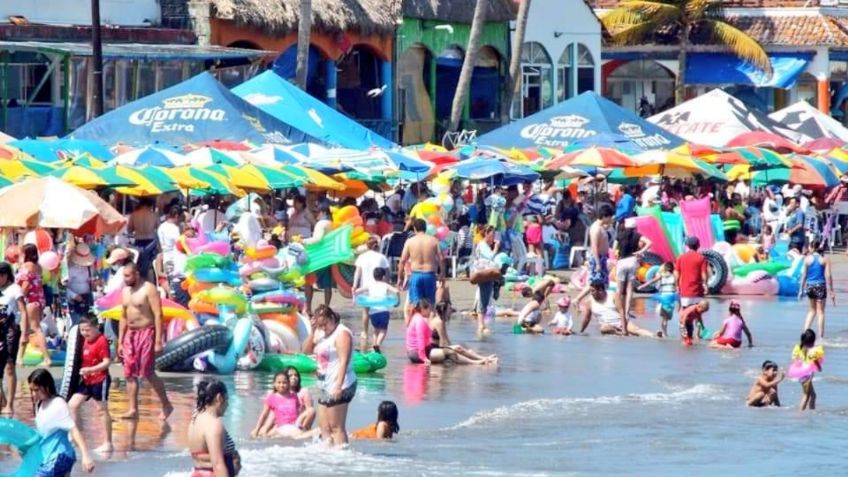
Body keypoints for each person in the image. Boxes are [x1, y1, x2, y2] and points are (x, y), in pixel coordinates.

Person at [117, 262, 173, 420]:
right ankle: (132, 409)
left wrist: (158, 340)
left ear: (137, 274)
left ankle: (166, 404)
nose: (125, 279)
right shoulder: (125, 291)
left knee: (147, 372)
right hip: (130, 334)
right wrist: (120, 341)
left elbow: (158, 315)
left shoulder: (149, 289)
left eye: (128, 276)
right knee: (129, 373)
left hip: (146, 333)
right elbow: (123, 316)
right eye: (124, 276)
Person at [303, 305, 356, 448]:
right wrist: (313, 330)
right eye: (320, 325)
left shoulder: (342, 333)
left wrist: (338, 386)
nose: (324, 328)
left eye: (325, 324)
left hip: (341, 384)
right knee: (324, 427)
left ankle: (342, 456)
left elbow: (344, 361)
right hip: (325, 385)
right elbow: (306, 351)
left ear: (332, 318)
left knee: (336, 427)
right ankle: (328, 457)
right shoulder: (321, 334)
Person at [28, 368, 96, 476]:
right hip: (48, 458)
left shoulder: (58, 404)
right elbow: (44, 434)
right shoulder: (39, 405)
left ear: (47, 386)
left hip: (61, 457)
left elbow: (74, 430)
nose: (33, 394)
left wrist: (85, 455)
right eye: (31, 390)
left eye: (36, 390)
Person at [68, 314, 113, 452]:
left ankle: (108, 443)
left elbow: (107, 362)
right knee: (72, 405)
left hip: (100, 379)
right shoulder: (83, 340)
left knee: (101, 410)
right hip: (87, 380)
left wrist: (91, 369)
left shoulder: (102, 341)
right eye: (82, 330)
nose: (84, 333)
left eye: (87, 330)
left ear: (96, 327)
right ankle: (75, 435)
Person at [187, 378, 240, 476]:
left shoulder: (195, 419)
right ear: (219, 398)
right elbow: (218, 464)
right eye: (227, 399)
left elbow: (200, 457)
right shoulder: (214, 424)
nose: (228, 404)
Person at [398, 218, 443, 324]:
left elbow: (402, 261)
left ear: (414, 228)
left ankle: (412, 330)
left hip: (416, 275)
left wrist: (400, 277)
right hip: (430, 274)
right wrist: (442, 274)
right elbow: (441, 259)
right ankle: (430, 330)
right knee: (431, 304)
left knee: (414, 304)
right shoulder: (433, 240)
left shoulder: (410, 241)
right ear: (426, 228)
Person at [578, 281, 657, 337]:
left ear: (600, 290)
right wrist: (581, 331)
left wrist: (624, 329)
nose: (591, 293)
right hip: (607, 326)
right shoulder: (589, 301)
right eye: (590, 291)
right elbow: (587, 318)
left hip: (620, 321)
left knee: (636, 330)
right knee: (603, 329)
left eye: (593, 291)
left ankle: (655, 335)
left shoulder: (613, 295)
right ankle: (620, 333)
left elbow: (621, 311)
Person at [352, 236, 390, 350]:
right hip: (379, 287)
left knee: (366, 310)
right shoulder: (381, 257)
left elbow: (357, 272)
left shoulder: (362, 257)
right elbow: (387, 273)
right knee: (378, 308)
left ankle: (364, 332)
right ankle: (376, 334)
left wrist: (354, 285)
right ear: (377, 245)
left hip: (365, 286)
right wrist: (386, 286)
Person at [16, 243, 50, 366]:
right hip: (38, 299)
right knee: (24, 330)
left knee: (35, 328)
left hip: (30, 299)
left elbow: (26, 285)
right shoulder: (38, 266)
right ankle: (19, 358)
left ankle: (47, 358)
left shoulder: (27, 266)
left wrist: (18, 298)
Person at [614, 218, 652, 321]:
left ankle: (619, 312)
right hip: (632, 261)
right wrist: (640, 252)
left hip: (622, 261)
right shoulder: (637, 235)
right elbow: (649, 242)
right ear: (635, 227)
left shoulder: (620, 235)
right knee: (629, 288)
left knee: (619, 289)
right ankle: (627, 312)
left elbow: (614, 250)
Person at [0, 262, 24, 415]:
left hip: (11, 331)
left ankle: (9, 403)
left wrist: (26, 333)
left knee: (9, 366)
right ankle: (1, 399)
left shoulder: (15, 289)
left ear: (5, 275)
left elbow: (23, 311)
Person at [354, 267, 398, 353]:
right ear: (384, 277)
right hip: (383, 311)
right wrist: (397, 302)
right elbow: (396, 291)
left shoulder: (370, 285)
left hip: (373, 312)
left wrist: (356, 299)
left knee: (376, 330)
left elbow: (356, 291)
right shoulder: (385, 285)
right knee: (383, 330)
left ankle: (374, 348)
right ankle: (377, 344)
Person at [251, 371, 306, 439]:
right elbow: (264, 415)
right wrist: (257, 429)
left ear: (288, 383)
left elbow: (297, 412)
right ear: (274, 384)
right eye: (279, 382)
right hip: (282, 428)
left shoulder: (294, 396)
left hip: (294, 426)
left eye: (284, 383)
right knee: (304, 435)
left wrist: (300, 423)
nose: (281, 385)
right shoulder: (272, 398)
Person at [797, 238, 834, 338]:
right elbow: (829, 276)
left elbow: (804, 276)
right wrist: (831, 291)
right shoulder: (825, 259)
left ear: (813, 247)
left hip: (810, 285)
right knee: (820, 312)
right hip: (820, 286)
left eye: (809, 246)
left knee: (812, 310)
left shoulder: (807, 259)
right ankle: (821, 337)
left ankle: (805, 334)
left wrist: (800, 290)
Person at [303, 206, 334, 316]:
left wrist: (303, 241)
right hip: (328, 256)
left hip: (318, 257)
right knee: (327, 285)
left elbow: (318, 239)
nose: (315, 214)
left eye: (316, 212)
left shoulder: (321, 224)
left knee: (308, 282)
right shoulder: (331, 223)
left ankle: (308, 308)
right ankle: (326, 308)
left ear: (323, 212)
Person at [471, 225, 498, 335]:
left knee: (486, 297)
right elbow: (490, 256)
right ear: (486, 234)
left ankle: (482, 325)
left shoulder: (484, 245)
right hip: (483, 274)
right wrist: (496, 247)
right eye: (492, 235)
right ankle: (481, 325)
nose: (493, 238)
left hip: (486, 274)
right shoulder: (482, 245)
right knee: (483, 297)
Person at [639, 262, 677, 337]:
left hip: (663, 297)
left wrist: (642, 286)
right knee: (665, 318)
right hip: (671, 298)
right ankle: (664, 333)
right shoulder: (674, 276)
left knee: (663, 317)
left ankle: (664, 333)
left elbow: (652, 281)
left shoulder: (661, 275)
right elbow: (677, 287)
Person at [65, 241, 96, 326]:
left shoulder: (90, 268)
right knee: (76, 324)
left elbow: (90, 280)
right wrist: (73, 295)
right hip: (74, 300)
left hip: (87, 298)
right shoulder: (70, 270)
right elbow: (63, 287)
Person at [792, 329, 824, 411]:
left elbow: (795, 360)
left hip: (800, 374)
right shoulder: (812, 351)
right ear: (813, 341)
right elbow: (815, 360)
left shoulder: (798, 348)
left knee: (812, 395)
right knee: (806, 395)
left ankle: (811, 411)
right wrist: (819, 367)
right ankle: (800, 412)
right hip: (807, 375)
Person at [676, 236, 708, 307]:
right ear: (698, 245)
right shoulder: (701, 258)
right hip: (698, 292)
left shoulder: (680, 258)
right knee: (697, 314)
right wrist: (705, 285)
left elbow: (677, 275)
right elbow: (704, 274)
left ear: (687, 246)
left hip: (685, 292)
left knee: (685, 313)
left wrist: (677, 286)